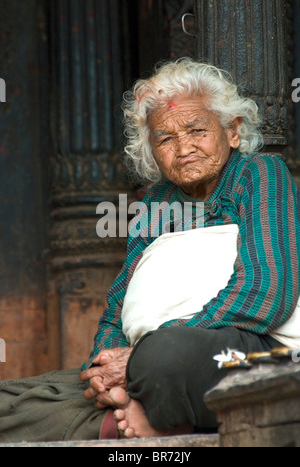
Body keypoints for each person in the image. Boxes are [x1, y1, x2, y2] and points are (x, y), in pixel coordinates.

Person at [0, 58, 299, 442]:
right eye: (165, 138)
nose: (184, 148)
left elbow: (265, 293)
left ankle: (144, 404)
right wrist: (106, 366)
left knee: (165, 358)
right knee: (12, 397)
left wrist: (138, 360)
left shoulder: (259, 174)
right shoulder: (156, 202)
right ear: (151, 151)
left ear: (232, 132)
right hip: (145, 365)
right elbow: (116, 312)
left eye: (196, 130)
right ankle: (131, 417)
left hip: (244, 349)